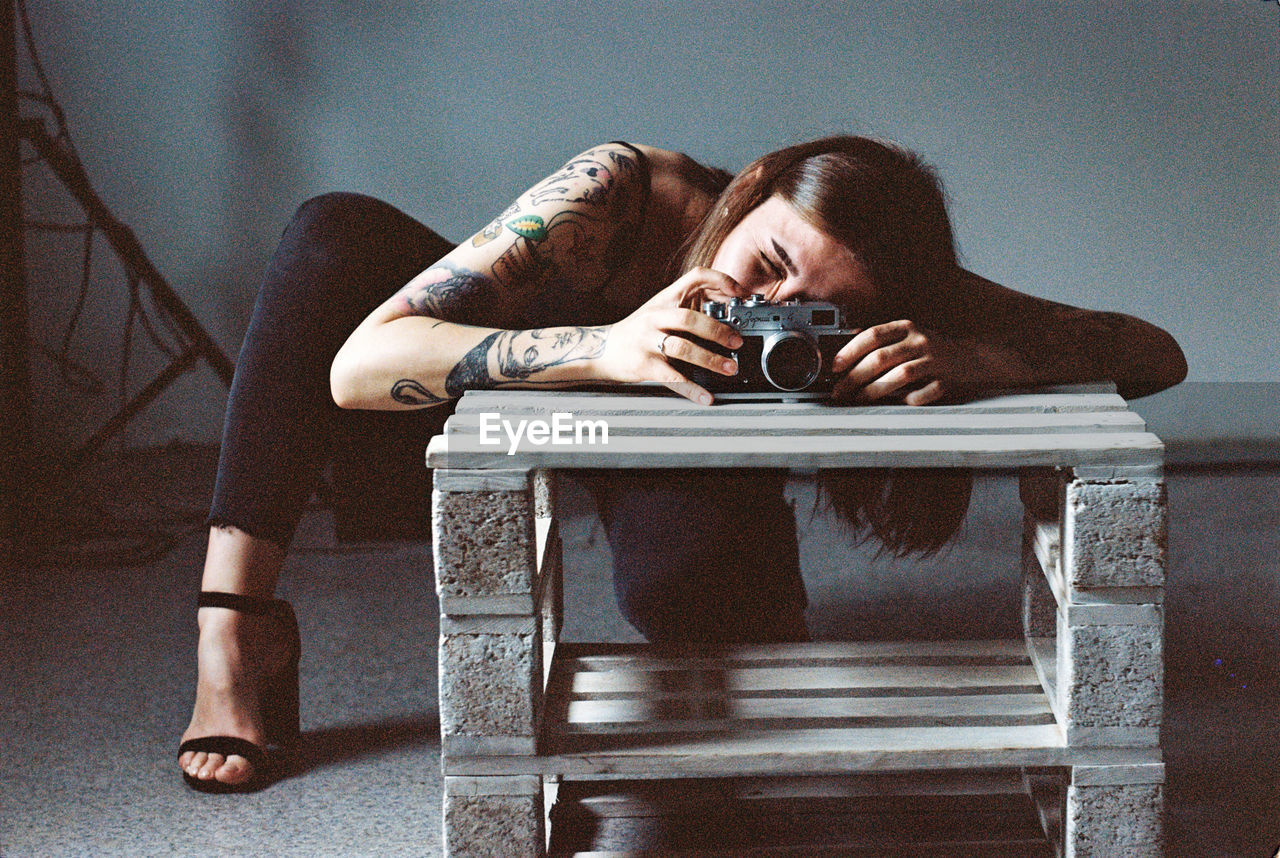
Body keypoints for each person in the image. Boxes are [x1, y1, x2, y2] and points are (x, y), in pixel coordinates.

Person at [178, 137, 1187, 792]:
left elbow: (1151, 350)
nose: (772, 311)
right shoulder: (620, 195)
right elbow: (357, 368)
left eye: (814, 313)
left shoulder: (888, 280)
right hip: (516, 392)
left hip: (687, 455)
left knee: (708, 666)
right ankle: (235, 643)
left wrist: (972, 354)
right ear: (743, 194)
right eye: (765, 266)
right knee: (332, 235)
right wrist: (606, 346)